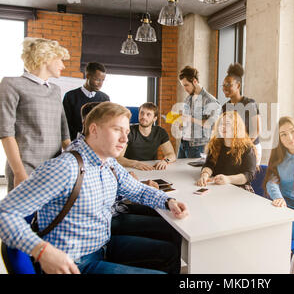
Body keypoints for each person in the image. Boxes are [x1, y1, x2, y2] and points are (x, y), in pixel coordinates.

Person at [0, 102, 189, 274]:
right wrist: (42, 251)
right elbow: (5, 213)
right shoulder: (66, 167)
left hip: (101, 246)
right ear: (94, 129)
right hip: (74, 263)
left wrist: (167, 200)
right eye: (117, 130)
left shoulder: (108, 163)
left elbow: (138, 190)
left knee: (169, 252)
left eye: (126, 132)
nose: (125, 139)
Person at [0, 37, 71, 192]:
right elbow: (6, 133)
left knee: (49, 215)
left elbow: (64, 130)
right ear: (46, 58)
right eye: (60, 60)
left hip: (54, 168)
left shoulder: (55, 89)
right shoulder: (11, 84)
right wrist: (19, 173)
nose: (63, 65)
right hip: (26, 167)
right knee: (20, 215)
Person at [197, 111, 257, 192]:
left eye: (227, 124)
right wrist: (205, 175)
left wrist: (228, 179)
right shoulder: (215, 144)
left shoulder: (247, 147)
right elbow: (209, 164)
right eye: (221, 124)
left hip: (240, 189)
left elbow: (249, 175)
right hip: (218, 187)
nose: (223, 127)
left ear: (236, 127)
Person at [221, 62, 262, 165]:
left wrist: (242, 147)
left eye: (229, 84)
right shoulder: (225, 107)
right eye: (223, 85)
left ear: (238, 85)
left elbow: (256, 131)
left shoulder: (250, 103)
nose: (225, 88)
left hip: (251, 149)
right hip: (234, 150)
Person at [117, 102, 176, 171]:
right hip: (130, 168)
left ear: (155, 118)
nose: (144, 116)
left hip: (150, 168)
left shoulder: (160, 132)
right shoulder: (128, 131)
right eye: (141, 113)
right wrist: (135, 163)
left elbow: (171, 154)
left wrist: (165, 161)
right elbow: (118, 158)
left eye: (148, 114)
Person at [177, 65, 221, 158]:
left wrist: (191, 119)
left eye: (186, 85)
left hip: (198, 147)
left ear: (195, 81)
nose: (185, 89)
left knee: (192, 172)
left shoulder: (210, 100)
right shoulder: (188, 98)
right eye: (183, 86)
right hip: (184, 144)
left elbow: (212, 125)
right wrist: (182, 124)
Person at [63, 62, 110, 141]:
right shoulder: (70, 96)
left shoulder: (105, 99)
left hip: (97, 142)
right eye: (98, 80)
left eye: (103, 80)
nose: (100, 84)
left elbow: (106, 123)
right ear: (88, 76)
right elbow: (65, 124)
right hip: (74, 143)